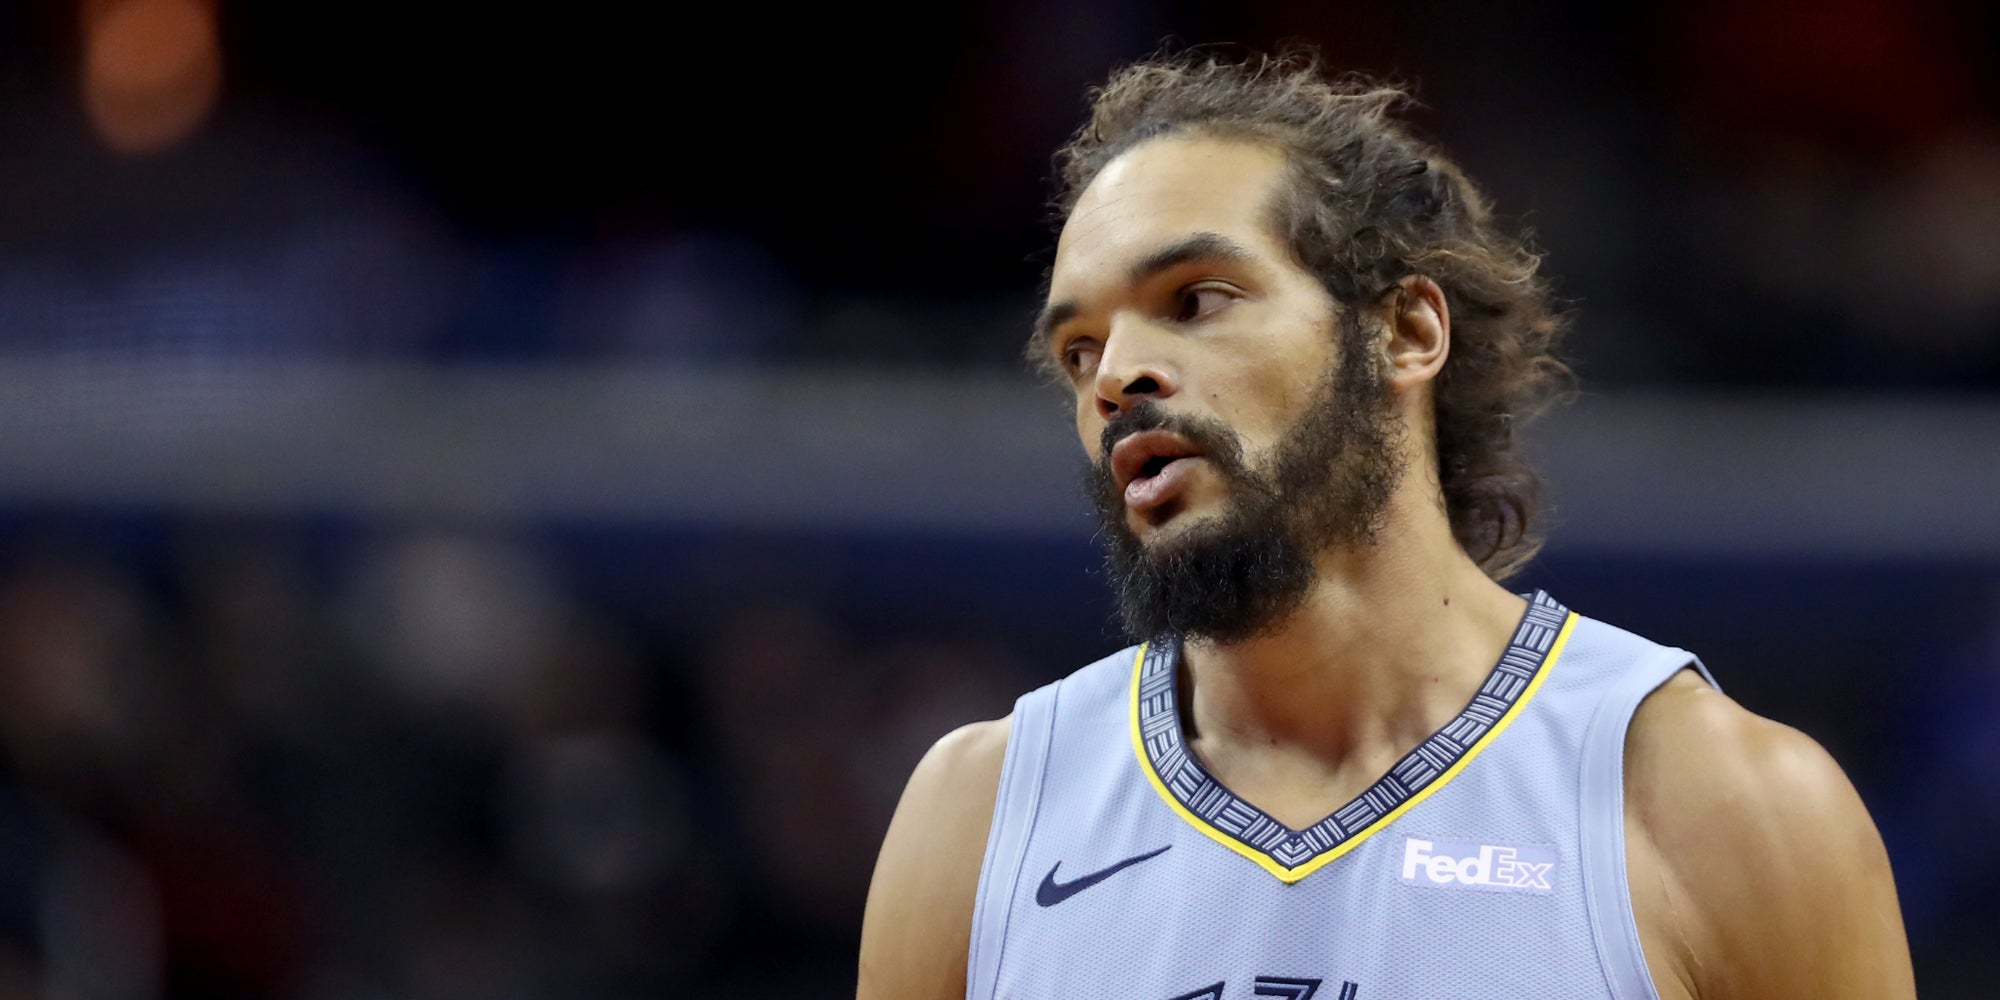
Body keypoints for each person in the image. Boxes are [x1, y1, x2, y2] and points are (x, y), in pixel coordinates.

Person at [857, 52, 1915, 1000]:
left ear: (1405, 331)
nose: (1117, 377)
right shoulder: (979, 815)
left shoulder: (1720, 807)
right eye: (1078, 348)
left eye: (1195, 298)